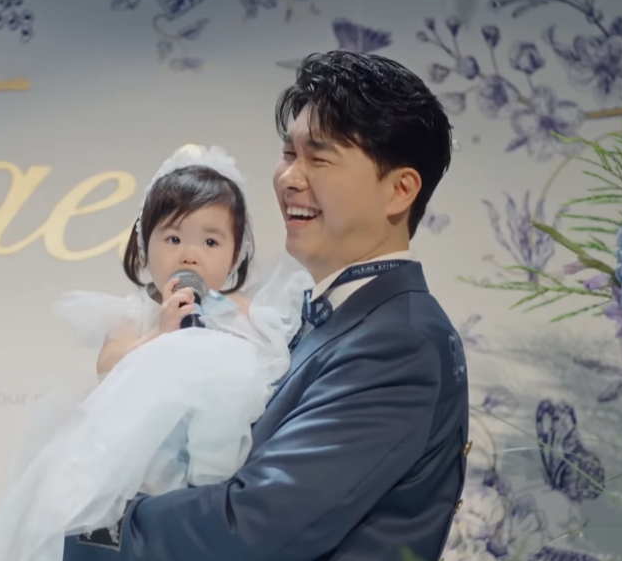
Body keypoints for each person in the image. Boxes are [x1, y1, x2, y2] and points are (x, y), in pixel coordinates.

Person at [61, 50, 469, 561]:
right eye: (289, 153)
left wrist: (92, 529)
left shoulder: (398, 342)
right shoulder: (331, 319)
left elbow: (254, 525)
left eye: (319, 158)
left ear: (399, 190)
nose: (290, 178)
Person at [0, 144, 313, 561]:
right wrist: (160, 334)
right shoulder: (135, 314)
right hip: (141, 466)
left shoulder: (242, 312)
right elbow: (108, 366)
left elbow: (268, 366)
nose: (190, 253)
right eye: (173, 238)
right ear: (144, 246)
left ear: (235, 256)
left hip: (218, 459)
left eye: (210, 241)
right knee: (111, 540)